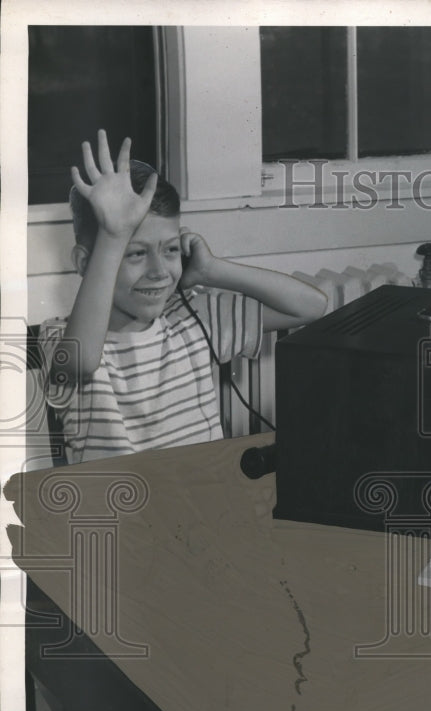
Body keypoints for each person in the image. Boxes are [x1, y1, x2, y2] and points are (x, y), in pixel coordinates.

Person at [40, 131, 327, 463]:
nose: (159, 271)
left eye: (171, 250)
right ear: (86, 263)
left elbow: (311, 307)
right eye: (134, 254)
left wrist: (212, 270)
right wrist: (113, 233)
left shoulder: (193, 318)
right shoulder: (62, 337)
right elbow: (81, 362)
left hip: (205, 503)